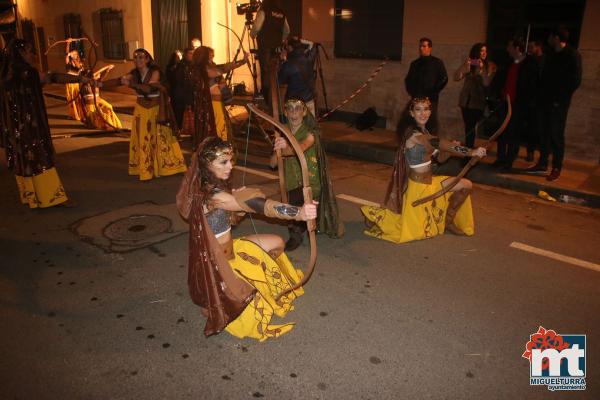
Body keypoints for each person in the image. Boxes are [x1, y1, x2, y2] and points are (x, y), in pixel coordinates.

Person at [177, 136, 317, 340]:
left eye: (231, 161)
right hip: (219, 266)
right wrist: (299, 213)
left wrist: (238, 200)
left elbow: (232, 216)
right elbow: (260, 206)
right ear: (207, 164)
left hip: (231, 249)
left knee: (277, 243)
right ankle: (213, 301)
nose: (230, 166)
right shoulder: (214, 196)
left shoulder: (213, 184)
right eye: (223, 162)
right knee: (250, 310)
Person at [361, 97, 486, 244]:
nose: (423, 113)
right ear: (411, 113)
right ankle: (377, 219)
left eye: (426, 109)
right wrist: (470, 151)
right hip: (417, 190)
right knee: (407, 227)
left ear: (430, 111)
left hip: (429, 184)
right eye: (418, 109)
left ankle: (448, 221)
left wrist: (451, 148)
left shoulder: (425, 131)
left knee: (466, 184)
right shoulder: (413, 135)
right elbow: (437, 142)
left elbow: (440, 158)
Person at [0, 39, 89, 208]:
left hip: (14, 130)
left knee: (23, 159)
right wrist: (79, 79)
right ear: (19, 54)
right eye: (28, 51)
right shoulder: (26, 73)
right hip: (29, 127)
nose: (32, 55)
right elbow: (52, 76)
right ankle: (52, 197)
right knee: (40, 158)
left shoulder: (5, 75)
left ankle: (31, 196)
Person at [271, 99, 344, 251]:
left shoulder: (311, 132)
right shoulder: (282, 131)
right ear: (285, 112)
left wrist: (286, 146)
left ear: (304, 112)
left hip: (309, 181)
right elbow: (272, 163)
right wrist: (277, 149)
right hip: (290, 182)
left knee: (300, 203)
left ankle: (296, 234)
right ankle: (302, 225)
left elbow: (301, 148)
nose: (293, 113)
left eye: (297, 109)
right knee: (288, 205)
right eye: (290, 109)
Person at [102, 48, 186, 180]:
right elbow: (119, 80)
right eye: (135, 57)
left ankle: (168, 167)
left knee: (161, 138)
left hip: (156, 110)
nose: (138, 59)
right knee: (144, 138)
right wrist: (99, 84)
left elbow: (149, 88)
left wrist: (131, 84)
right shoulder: (134, 73)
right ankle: (147, 169)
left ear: (147, 59)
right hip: (141, 109)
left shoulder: (155, 72)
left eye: (141, 57)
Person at [526, 27, 582, 181]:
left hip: (558, 103)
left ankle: (557, 167)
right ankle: (542, 163)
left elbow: (575, 80)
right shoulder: (551, 55)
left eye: (550, 37)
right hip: (544, 101)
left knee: (556, 135)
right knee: (543, 133)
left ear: (556, 38)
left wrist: (560, 99)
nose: (548, 40)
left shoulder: (572, 55)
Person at [493, 37, 538, 170]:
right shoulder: (509, 63)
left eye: (510, 47)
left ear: (517, 48)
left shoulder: (530, 64)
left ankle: (509, 159)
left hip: (518, 104)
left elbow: (532, 85)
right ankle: (500, 158)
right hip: (505, 102)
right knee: (501, 132)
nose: (508, 49)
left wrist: (526, 102)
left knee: (514, 133)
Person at [195, 46, 248, 142]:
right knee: (216, 128)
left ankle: (221, 147)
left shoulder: (210, 67)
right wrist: (236, 64)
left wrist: (242, 61)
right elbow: (221, 69)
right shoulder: (202, 69)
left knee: (222, 127)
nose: (212, 57)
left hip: (217, 103)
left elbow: (223, 67)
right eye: (209, 55)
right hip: (211, 105)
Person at [64, 45, 122, 130]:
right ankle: (85, 118)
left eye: (76, 54)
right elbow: (95, 74)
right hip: (88, 100)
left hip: (97, 100)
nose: (97, 76)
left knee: (109, 107)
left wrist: (107, 70)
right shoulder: (87, 80)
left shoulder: (93, 79)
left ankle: (113, 124)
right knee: (93, 119)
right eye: (74, 54)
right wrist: (106, 67)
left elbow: (101, 77)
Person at [454, 43, 496, 148]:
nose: (484, 53)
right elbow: (456, 77)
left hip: (478, 102)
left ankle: (469, 152)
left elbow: (486, 83)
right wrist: (465, 68)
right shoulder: (471, 64)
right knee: (469, 127)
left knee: (471, 128)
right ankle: (469, 150)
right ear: (476, 52)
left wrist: (482, 70)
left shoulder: (490, 66)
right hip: (465, 102)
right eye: (481, 51)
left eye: (485, 51)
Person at [404, 37, 448, 132]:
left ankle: (430, 142)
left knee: (430, 122)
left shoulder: (437, 62)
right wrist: (413, 93)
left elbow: (444, 79)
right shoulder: (415, 63)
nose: (421, 48)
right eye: (420, 46)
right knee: (415, 122)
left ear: (430, 48)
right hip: (417, 98)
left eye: (424, 46)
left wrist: (433, 92)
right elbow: (408, 80)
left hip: (431, 99)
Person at [250, 0, 290, 101]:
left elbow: (257, 27)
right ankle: (276, 98)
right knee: (276, 72)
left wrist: (252, 34)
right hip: (277, 48)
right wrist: (280, 40)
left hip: (265, 46)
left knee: (266, 72)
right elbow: (287, 30)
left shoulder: (264, 10)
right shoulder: (281, 12)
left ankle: (266, 97)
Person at [278, 36, 318, 116]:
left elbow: (280, 80)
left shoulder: (288, 64)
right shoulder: (309, 58)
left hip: (294, 104)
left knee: (295, 128)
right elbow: (313, 44)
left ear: (290, 47)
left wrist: (283, 61)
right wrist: (299, 40)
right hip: (309, 100)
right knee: (310, 127)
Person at [170, 48, 194, 135]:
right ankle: (178, 130)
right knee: (179, 114)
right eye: (190, 53)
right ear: (185, 55)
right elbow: (178, 81)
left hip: (188, 94)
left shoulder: (192, 65)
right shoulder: (180, 66)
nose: (192, 55)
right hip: (180, 95)